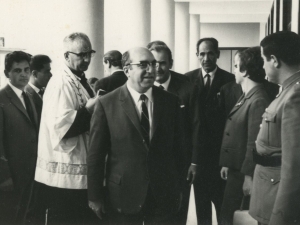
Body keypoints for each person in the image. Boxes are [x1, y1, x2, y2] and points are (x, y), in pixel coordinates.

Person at [87, 47, 186, 225]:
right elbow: (96, 155)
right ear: (127, 70)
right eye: (143, 65)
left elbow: (179, 150)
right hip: (123, 196)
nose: (151, 70)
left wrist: (179, 188)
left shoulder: (170, 102)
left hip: (163, 194)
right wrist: (94, 196)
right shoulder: (106, 104)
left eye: (153, 64)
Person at [34, 32, 99, 224]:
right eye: (81, 54)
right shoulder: (61, 83)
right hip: (64, 178)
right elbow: (61, 127)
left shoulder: (77, 78)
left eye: (90, 53)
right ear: (66, 56)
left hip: (78, 175)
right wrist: (90, 109)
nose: (87, 59)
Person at [249, 31, 300, 225]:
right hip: (269, 191)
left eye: (264, 60)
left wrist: (280, 218)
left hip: (277, 201)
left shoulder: (295, 95)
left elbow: (293, 167)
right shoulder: (287, 90)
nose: (262, 66)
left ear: (275, 60)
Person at [185, 37, 235, 224]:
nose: (206, 58)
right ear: (197, 55)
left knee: (223, 208)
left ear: (218, 54)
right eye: (202, 54)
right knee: (201, 209)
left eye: (210, 53)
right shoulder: (187, 79)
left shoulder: (230, 80)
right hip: (198, 158)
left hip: (220, 158)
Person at [219, 47, 271, 225]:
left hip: (244, 174)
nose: (233, 70)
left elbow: (253, 143)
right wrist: (228, 163)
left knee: (231, 217)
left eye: (236, 66)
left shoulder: (258, 100)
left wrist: (248, 177)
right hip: (236, 170)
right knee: (227, 215)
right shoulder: (247, 96)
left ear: (245, 70)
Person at [150, 44, 200, 224]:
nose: (157, 68)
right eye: (153, 63)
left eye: (162, 63)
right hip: (150, 165)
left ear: (170, 63)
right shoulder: (142, 86)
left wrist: (194, 162)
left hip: (180, 164)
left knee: (177, 214)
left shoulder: (188, 88)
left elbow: (196, 126)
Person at [0, 51, 39, 224]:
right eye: (17, 70)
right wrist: (4, 176)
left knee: (22, 217)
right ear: (7, 73)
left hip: (29, 172)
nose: (23, 74)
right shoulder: (1, 98)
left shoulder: (28, 96)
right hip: (11, 176)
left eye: (26, 69)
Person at [25, 54, 52, 122]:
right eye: (47, 71)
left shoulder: (48, 91)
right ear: (35, 74)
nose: (51, 75)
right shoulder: (25, 95)